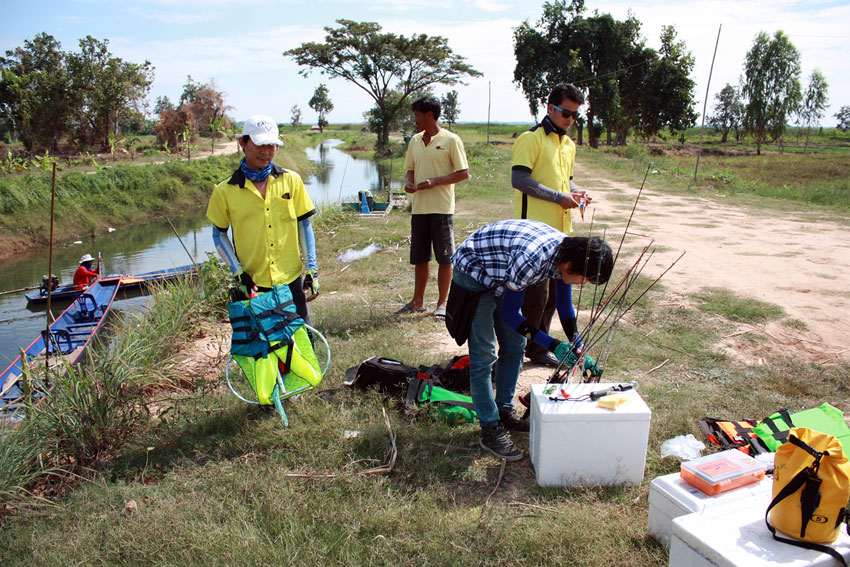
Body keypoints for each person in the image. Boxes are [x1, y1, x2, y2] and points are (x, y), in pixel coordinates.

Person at [449, 219, 613, 460]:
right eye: (584, 279)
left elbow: (565, 306)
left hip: (502, 271)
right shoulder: (532, 260)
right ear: (569, 265)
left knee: (515, 345)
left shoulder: (565, 255)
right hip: (475, 272)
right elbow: (510, 315)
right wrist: (554, 345)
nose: (583, 284)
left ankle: (504, 410)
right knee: (484, 355)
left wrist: (576, 344)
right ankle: (490, 428)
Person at [206, 114, 319, 323]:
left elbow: (304, 225)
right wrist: (238, 273)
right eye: (259, 144)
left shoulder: (291, 181)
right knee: (265, 350)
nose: (266, 151)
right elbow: (218, 235)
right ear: (243, 142)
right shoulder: (224, 191)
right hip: (254, 286)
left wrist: (312, 270)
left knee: (303, 346)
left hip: (291, 280)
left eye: (271, 145)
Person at [511, 82, 592, 367]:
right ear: (550, 108)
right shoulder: (531, 139)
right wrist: (559, 197)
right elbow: (519, 180)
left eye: (574, 116)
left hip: (561, 233)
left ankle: (538, 349)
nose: (569, 120)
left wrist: (576, 193)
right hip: (532, 235)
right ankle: (513, 352)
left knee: (553, 298)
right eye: (565, 113)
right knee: (536, 296)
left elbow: (564, 181)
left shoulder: (567, 145)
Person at [396, 96, 470, 319]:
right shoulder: (415, 141)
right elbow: (410, 167)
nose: (415, 120)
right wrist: (410, 182)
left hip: (441, 209)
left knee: (445, 258)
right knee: (420, 257)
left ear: (430, 115)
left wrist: (435, 182)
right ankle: (417, 301)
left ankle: (442, 303)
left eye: (418, 116)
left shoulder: (451, 140)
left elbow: (463, 173)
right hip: (419, 208)